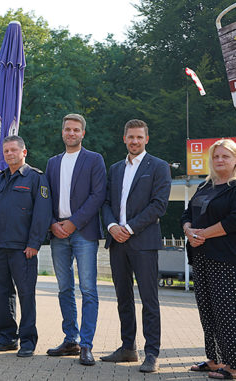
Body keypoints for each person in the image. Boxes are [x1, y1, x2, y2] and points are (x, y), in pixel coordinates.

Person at [101, 119, 171, 373]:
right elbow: (106, 202)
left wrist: (128, 228)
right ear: (124, 138)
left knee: (149, 299)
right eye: (130, 137)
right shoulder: (116, 168)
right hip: (117, 242)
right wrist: (112, 227)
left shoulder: (159, 167)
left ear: (146, 139)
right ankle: (128, 347)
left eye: (139, 137)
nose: (134, 141)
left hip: (143, 242)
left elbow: (158, 205)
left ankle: (151, 352)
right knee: (123, 297)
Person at [44, 114, 106, 366]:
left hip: (84, 232)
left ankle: (86, 345)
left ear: (83, 133)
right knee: (64, 289)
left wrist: (73, 223)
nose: (71, 133)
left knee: (88, 289)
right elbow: (45, 196)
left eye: (76, 130)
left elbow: (98, 195)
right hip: (58, 232)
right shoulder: (52, 162)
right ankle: (71, 338)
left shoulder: (94, 159)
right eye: (67, 129)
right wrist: (52, 223)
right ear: (62, 133)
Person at [0, 135, 51, 357]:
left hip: (24, 249)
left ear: (24, 152)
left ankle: (28, 340)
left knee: (26, 294)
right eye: (6, 151)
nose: (9, 154)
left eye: (13, 150)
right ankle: (7, 337)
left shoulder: (36, 178)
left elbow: (42, 214)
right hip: (0, 247)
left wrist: (34, 244)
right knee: (2, 294)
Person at [181, 139, 236, 379]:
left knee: (227, 311)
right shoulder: (205, 186)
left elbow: (233, 220)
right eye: (216, 156)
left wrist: (202, 234)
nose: (220, 160)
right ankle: (214, 360)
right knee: (207, 311)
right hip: (201, 256)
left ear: (235, 160)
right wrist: (188, 230)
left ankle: (233, 365)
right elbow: (187, 212)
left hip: (225, 258)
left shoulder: (234, 188)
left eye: (225, 156)